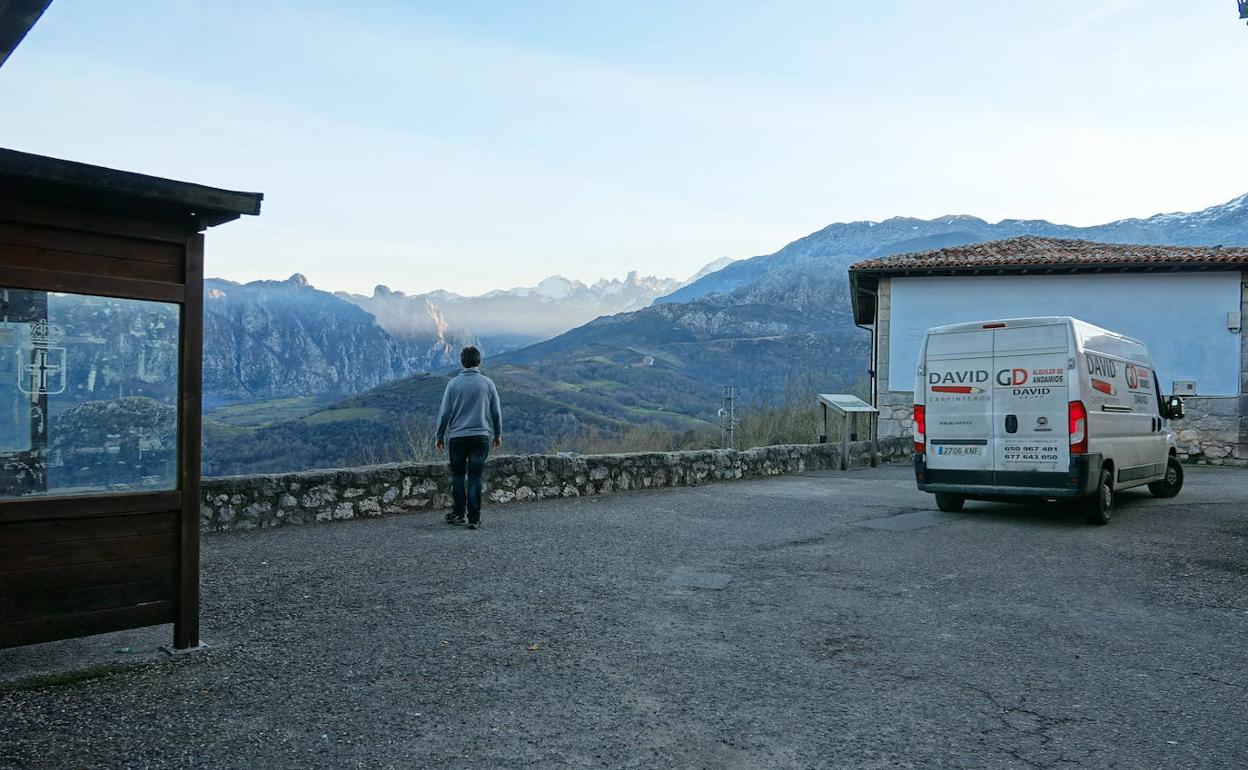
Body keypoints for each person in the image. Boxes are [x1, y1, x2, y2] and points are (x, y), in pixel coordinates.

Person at [435, 346, 502, 529]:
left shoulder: (453, 384)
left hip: (457, 437)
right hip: (481, 437)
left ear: (462, 362)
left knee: (457, 476)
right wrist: (497, 435)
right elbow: (496, 413)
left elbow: (444, 414)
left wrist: (439, 436)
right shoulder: (488, 383)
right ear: (479, 362)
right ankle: (474, 518)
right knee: (474, 477)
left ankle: (458, 513)